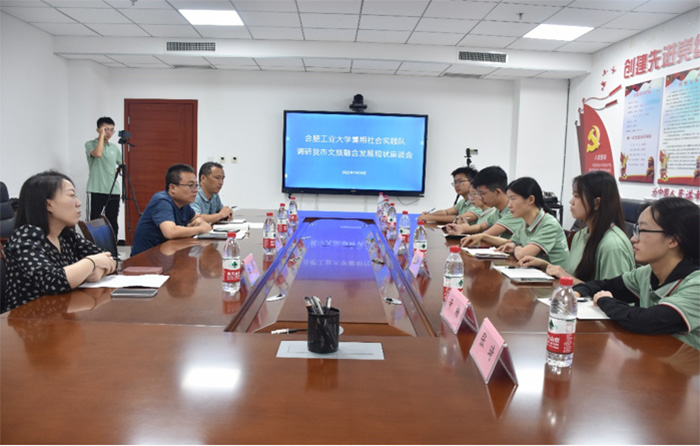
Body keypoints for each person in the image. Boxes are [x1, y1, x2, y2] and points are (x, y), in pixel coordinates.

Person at [573, 197, 699, 349]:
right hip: (656, 357)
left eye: (642, 231)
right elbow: (605, 285)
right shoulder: (647, 272)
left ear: (673, 240)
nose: (633, 239)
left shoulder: (696, 285)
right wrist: (576, 293)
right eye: (635, 230)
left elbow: (647, 321)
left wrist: (604, 300)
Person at [3, 171, 116, 313]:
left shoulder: (66, 235)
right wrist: (92, 263)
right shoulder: (25, 237)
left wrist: (97, 271)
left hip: (63, 311)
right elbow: (53, 281)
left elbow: (108, 259)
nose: (78, 203)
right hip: (29, 318)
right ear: (49, 205)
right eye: (71, 195)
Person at [520, 170, 634, 283]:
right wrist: (546, 266)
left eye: (577, 196)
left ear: (597, 203)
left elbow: (612, 294)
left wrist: (566, 277)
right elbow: (576, 276)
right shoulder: (580, 235)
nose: (571, 201)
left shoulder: (613, 246)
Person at [460, 177, 569, 266]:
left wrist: (516, 247)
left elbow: (522, 254)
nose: (509, 205)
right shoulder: (525, 222)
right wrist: (482, 236)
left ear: (530, 200)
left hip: (557, 280)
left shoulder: (549, 224)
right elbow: (510, 243)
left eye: (513, 199)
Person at [130, 164, 211, 256]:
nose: (195, 190)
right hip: (145, 260)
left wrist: (198, 221)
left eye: (196, 185)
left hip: (165, 256)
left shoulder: (183, 204)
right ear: (172, 188)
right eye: (190, 185)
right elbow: (170, 232)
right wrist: (200, 229)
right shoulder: (162, 201)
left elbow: (198, 218)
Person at [446, 166, 522, 239]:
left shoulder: (513, 211)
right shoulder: (497, 211)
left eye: (482, 193)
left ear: (497, 192)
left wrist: (468, 233)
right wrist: (462, 229)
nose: (480, 198)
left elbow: (485, 235)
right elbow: (481, 226)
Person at [85, 117, 121, 241]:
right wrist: (101, 136)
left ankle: (113, 248)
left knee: (112, 221)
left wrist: (117, 170)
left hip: (113, 190)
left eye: (112, 130)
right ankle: (94, 247)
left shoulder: (114, 148)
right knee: (94, 221)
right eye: (106, 129)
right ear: (98, 130)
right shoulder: (90, 144)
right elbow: (98, 154)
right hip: (96, 189)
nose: (109, 133)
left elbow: (122, 163)